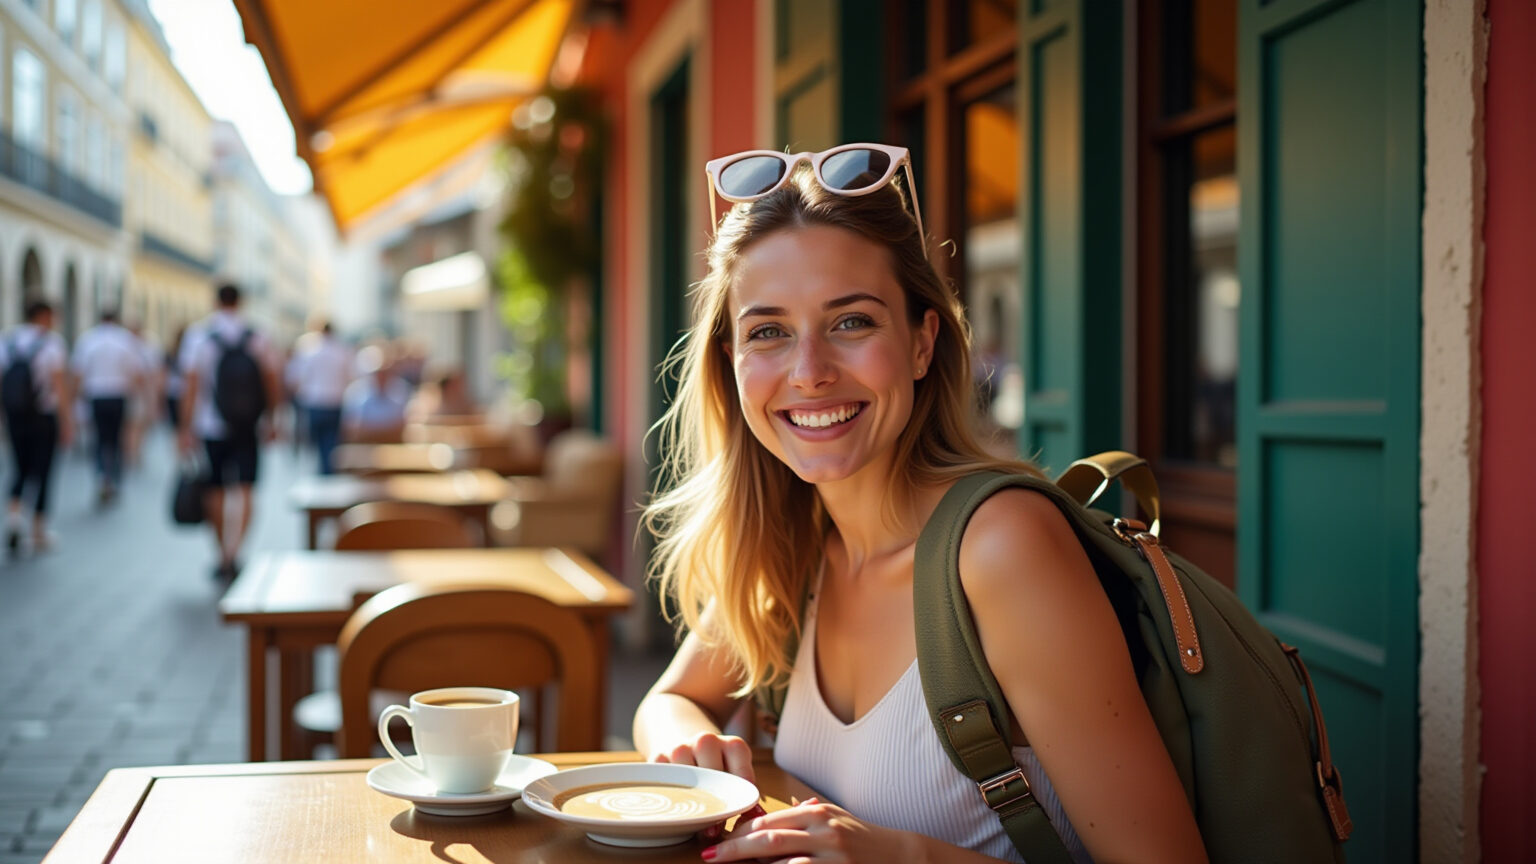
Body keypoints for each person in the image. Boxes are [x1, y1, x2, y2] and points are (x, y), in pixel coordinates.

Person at [632, 145, 1207, 863]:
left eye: (852, 323)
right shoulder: (795, 540)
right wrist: (689, 748)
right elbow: (671, 699)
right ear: (731, 362)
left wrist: (900, 855)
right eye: (769, 332)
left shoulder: (1001, 547)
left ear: (922, 343)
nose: (808, 373)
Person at [177, 283, 282, 579]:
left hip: (212, 426)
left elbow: (191, 386)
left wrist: (184, 428)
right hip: (249, 425)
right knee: (247, 488)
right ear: (241, 302)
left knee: (215, 489)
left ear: (215, 301)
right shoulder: (257, 336)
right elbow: (272, 380)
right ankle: (236, 552)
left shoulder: (199, 336)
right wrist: (274, 418)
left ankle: (222, 553)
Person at [0, 300, 74, 554]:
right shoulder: (52, 344)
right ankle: (38, 530)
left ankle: (13, 519)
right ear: (44, 316)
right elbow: (59, 385)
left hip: (15, 415)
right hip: (44, 415)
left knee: (19, 467)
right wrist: (67, 421)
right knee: (43, 470)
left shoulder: (7, 341)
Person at [71, 309, 146, 504]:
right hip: (118, 396)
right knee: (116, 439)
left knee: (99, 438)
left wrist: (76, 398)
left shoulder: (88, 339)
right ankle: (114, 478)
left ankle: (101, 476)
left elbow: (78, 373)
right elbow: (136, 373)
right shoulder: (125, 340)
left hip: (96, 396)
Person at [286, 321, 353, 474]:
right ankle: (326, 473)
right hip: (334, 402)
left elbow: (296, 377)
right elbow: (350, 376)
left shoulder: (309, 350)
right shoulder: (342, 351)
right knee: (330, 445)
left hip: (315, 403)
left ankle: (321, 474)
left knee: (315, 446)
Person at [341, 345, 411, 444]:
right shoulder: (355, 392)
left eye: (385, 371)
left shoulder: (401, 389)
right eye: (378, 372)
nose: (382, 376)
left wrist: (374, 431)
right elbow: (352, 430)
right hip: (364, 448)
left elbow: (402, 427)